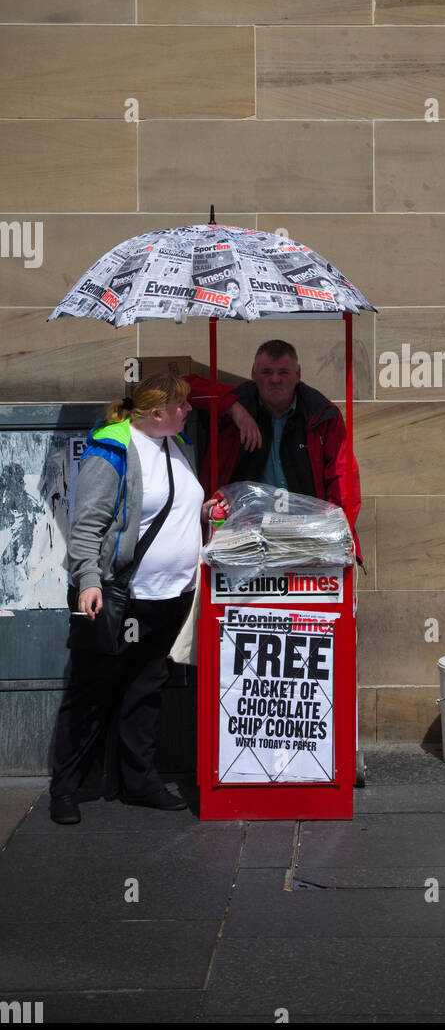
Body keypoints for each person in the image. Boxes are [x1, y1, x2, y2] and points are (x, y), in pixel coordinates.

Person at [50, 373, 219, 825]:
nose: (189, 410)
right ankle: (67, 788)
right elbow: (86, 524)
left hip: (171, 596)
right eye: (181, 405)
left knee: (146, 690)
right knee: (92, 692)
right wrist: (88, 580)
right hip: (123, 597)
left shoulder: (176, 444)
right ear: (157, 411)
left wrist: (205, 511)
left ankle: (138, 781)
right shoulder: (113, 450)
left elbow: (175, 506)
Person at [185, 339, 361, 549]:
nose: (275, 379)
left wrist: (338, 535)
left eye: (283, 372)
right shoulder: (236, 405)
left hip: (306, 535)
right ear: (253, 374)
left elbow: (343, 478)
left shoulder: (322, 414)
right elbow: (181, 386)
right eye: (267, 372)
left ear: (298, 375)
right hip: (241, 535)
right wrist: (233, 408)